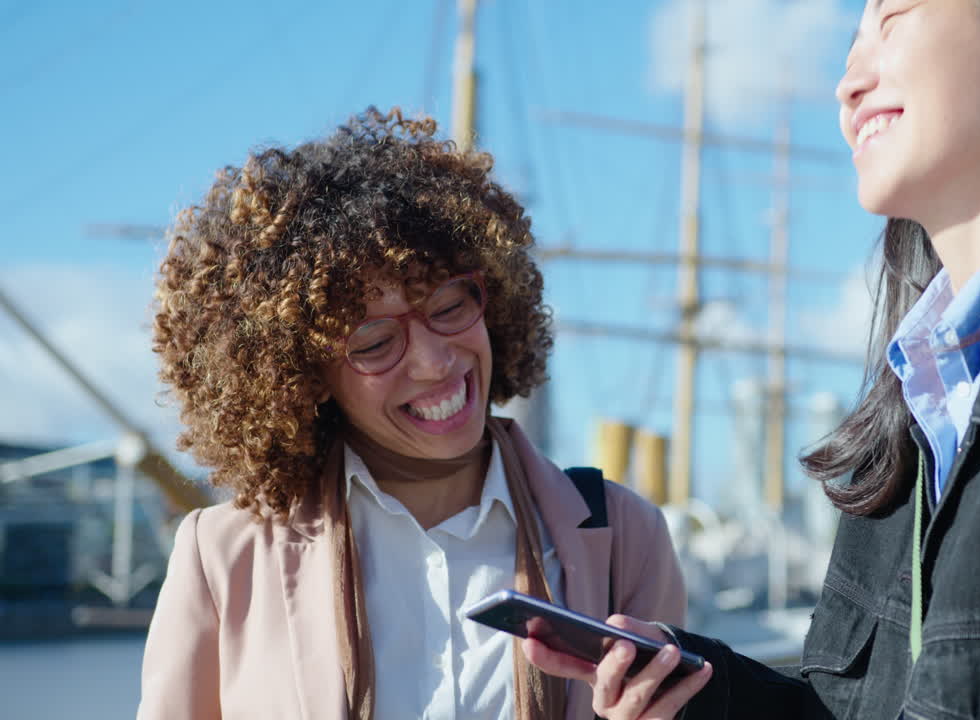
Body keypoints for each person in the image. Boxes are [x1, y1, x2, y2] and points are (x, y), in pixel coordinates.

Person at [524, 0, 980, 717]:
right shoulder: (915, 401)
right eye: (852, 40)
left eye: (893, 16)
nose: (847, 82)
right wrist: (694, 691)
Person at [137, 108, 686, 720]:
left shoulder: (625, 536)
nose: (433, 361)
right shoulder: (221, 555)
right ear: (305, 379)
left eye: (449, 304)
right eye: (374, 343)